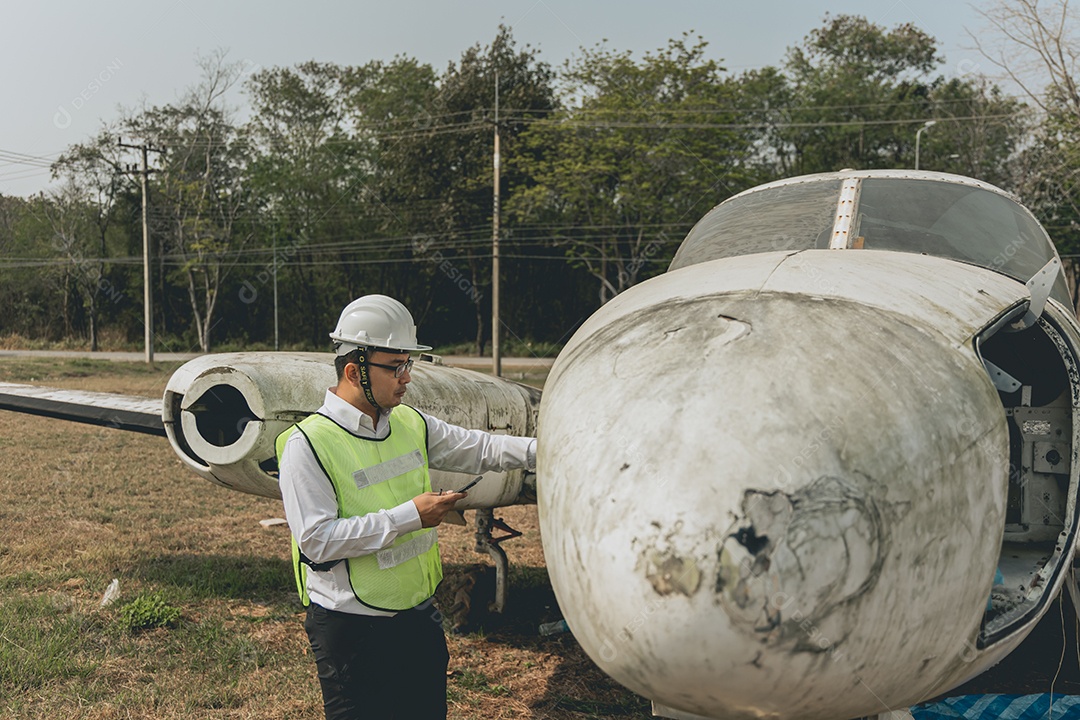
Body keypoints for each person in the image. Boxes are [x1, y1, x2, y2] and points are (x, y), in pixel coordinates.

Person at [276, 294, 536, 720]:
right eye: (395, 367)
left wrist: (548, 449)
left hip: (417, 618)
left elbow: (481, 448)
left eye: (409, 365)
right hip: (351, 629)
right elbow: (317, 542)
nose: (406, 378)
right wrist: (411, 517)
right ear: (353, 370)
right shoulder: (308, 445)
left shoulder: (410, 423)